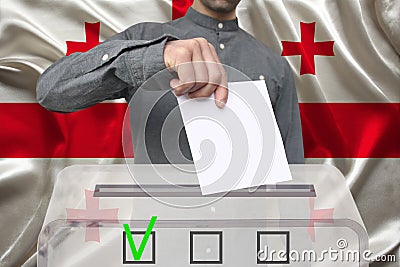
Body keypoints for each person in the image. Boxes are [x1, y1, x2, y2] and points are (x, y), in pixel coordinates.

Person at [36, 0, 305, 164]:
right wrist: (156, 56)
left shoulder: (274, 66)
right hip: (157, 242)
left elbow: (293, 174)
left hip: (240, 243)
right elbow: (51, 92)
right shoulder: (143, 38)